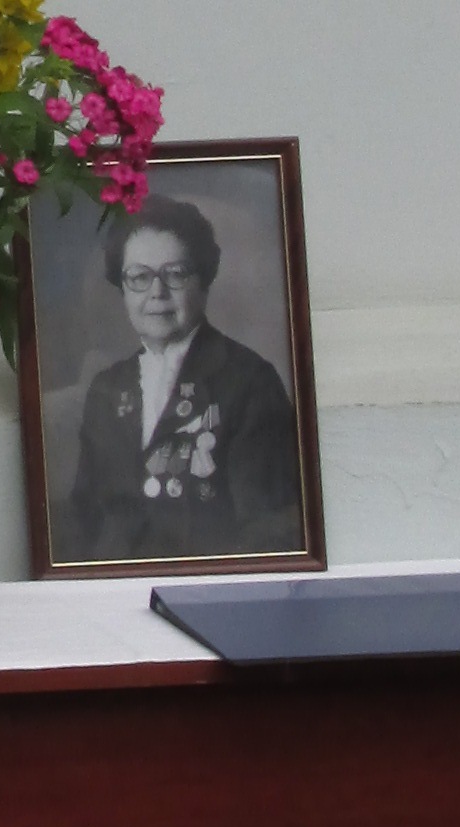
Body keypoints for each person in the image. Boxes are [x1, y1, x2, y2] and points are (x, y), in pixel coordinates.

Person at [64, 196, 306, 566]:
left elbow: (269, 531)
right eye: (139, 277)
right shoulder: (106, 389)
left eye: (175, 274)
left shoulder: (249, 382)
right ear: (122, 288)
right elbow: (84, 522)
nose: (156, 293)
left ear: (203, 281)